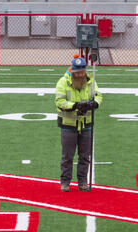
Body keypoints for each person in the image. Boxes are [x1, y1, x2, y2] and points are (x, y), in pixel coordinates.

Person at [53, 54, 102, 191]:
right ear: (72, 70)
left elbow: (98, 95)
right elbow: (59, 102)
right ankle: (65, 182)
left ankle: (82, 181)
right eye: (77, 72)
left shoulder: (91, 81)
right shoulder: (63, 82)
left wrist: (94, 104)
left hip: (86, 123)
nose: (80, 74)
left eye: (82, 71)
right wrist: (75, 106)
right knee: (67, 156)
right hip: (68, 124)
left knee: (85, 155)